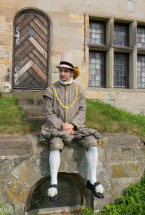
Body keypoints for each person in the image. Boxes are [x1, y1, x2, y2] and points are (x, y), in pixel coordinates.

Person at [39, 52, 104, 201]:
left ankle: (92, 180)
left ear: (71, 73)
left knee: (92, 143)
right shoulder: (51, 90)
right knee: (55, 144)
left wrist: (73, 124)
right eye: (60, 70)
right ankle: (54, 184)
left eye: (66, 71)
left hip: (77, 127)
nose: (62, 73)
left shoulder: (79, 90)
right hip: (57, 128)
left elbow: (82, 110)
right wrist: (61, 125)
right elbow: (48, 112)